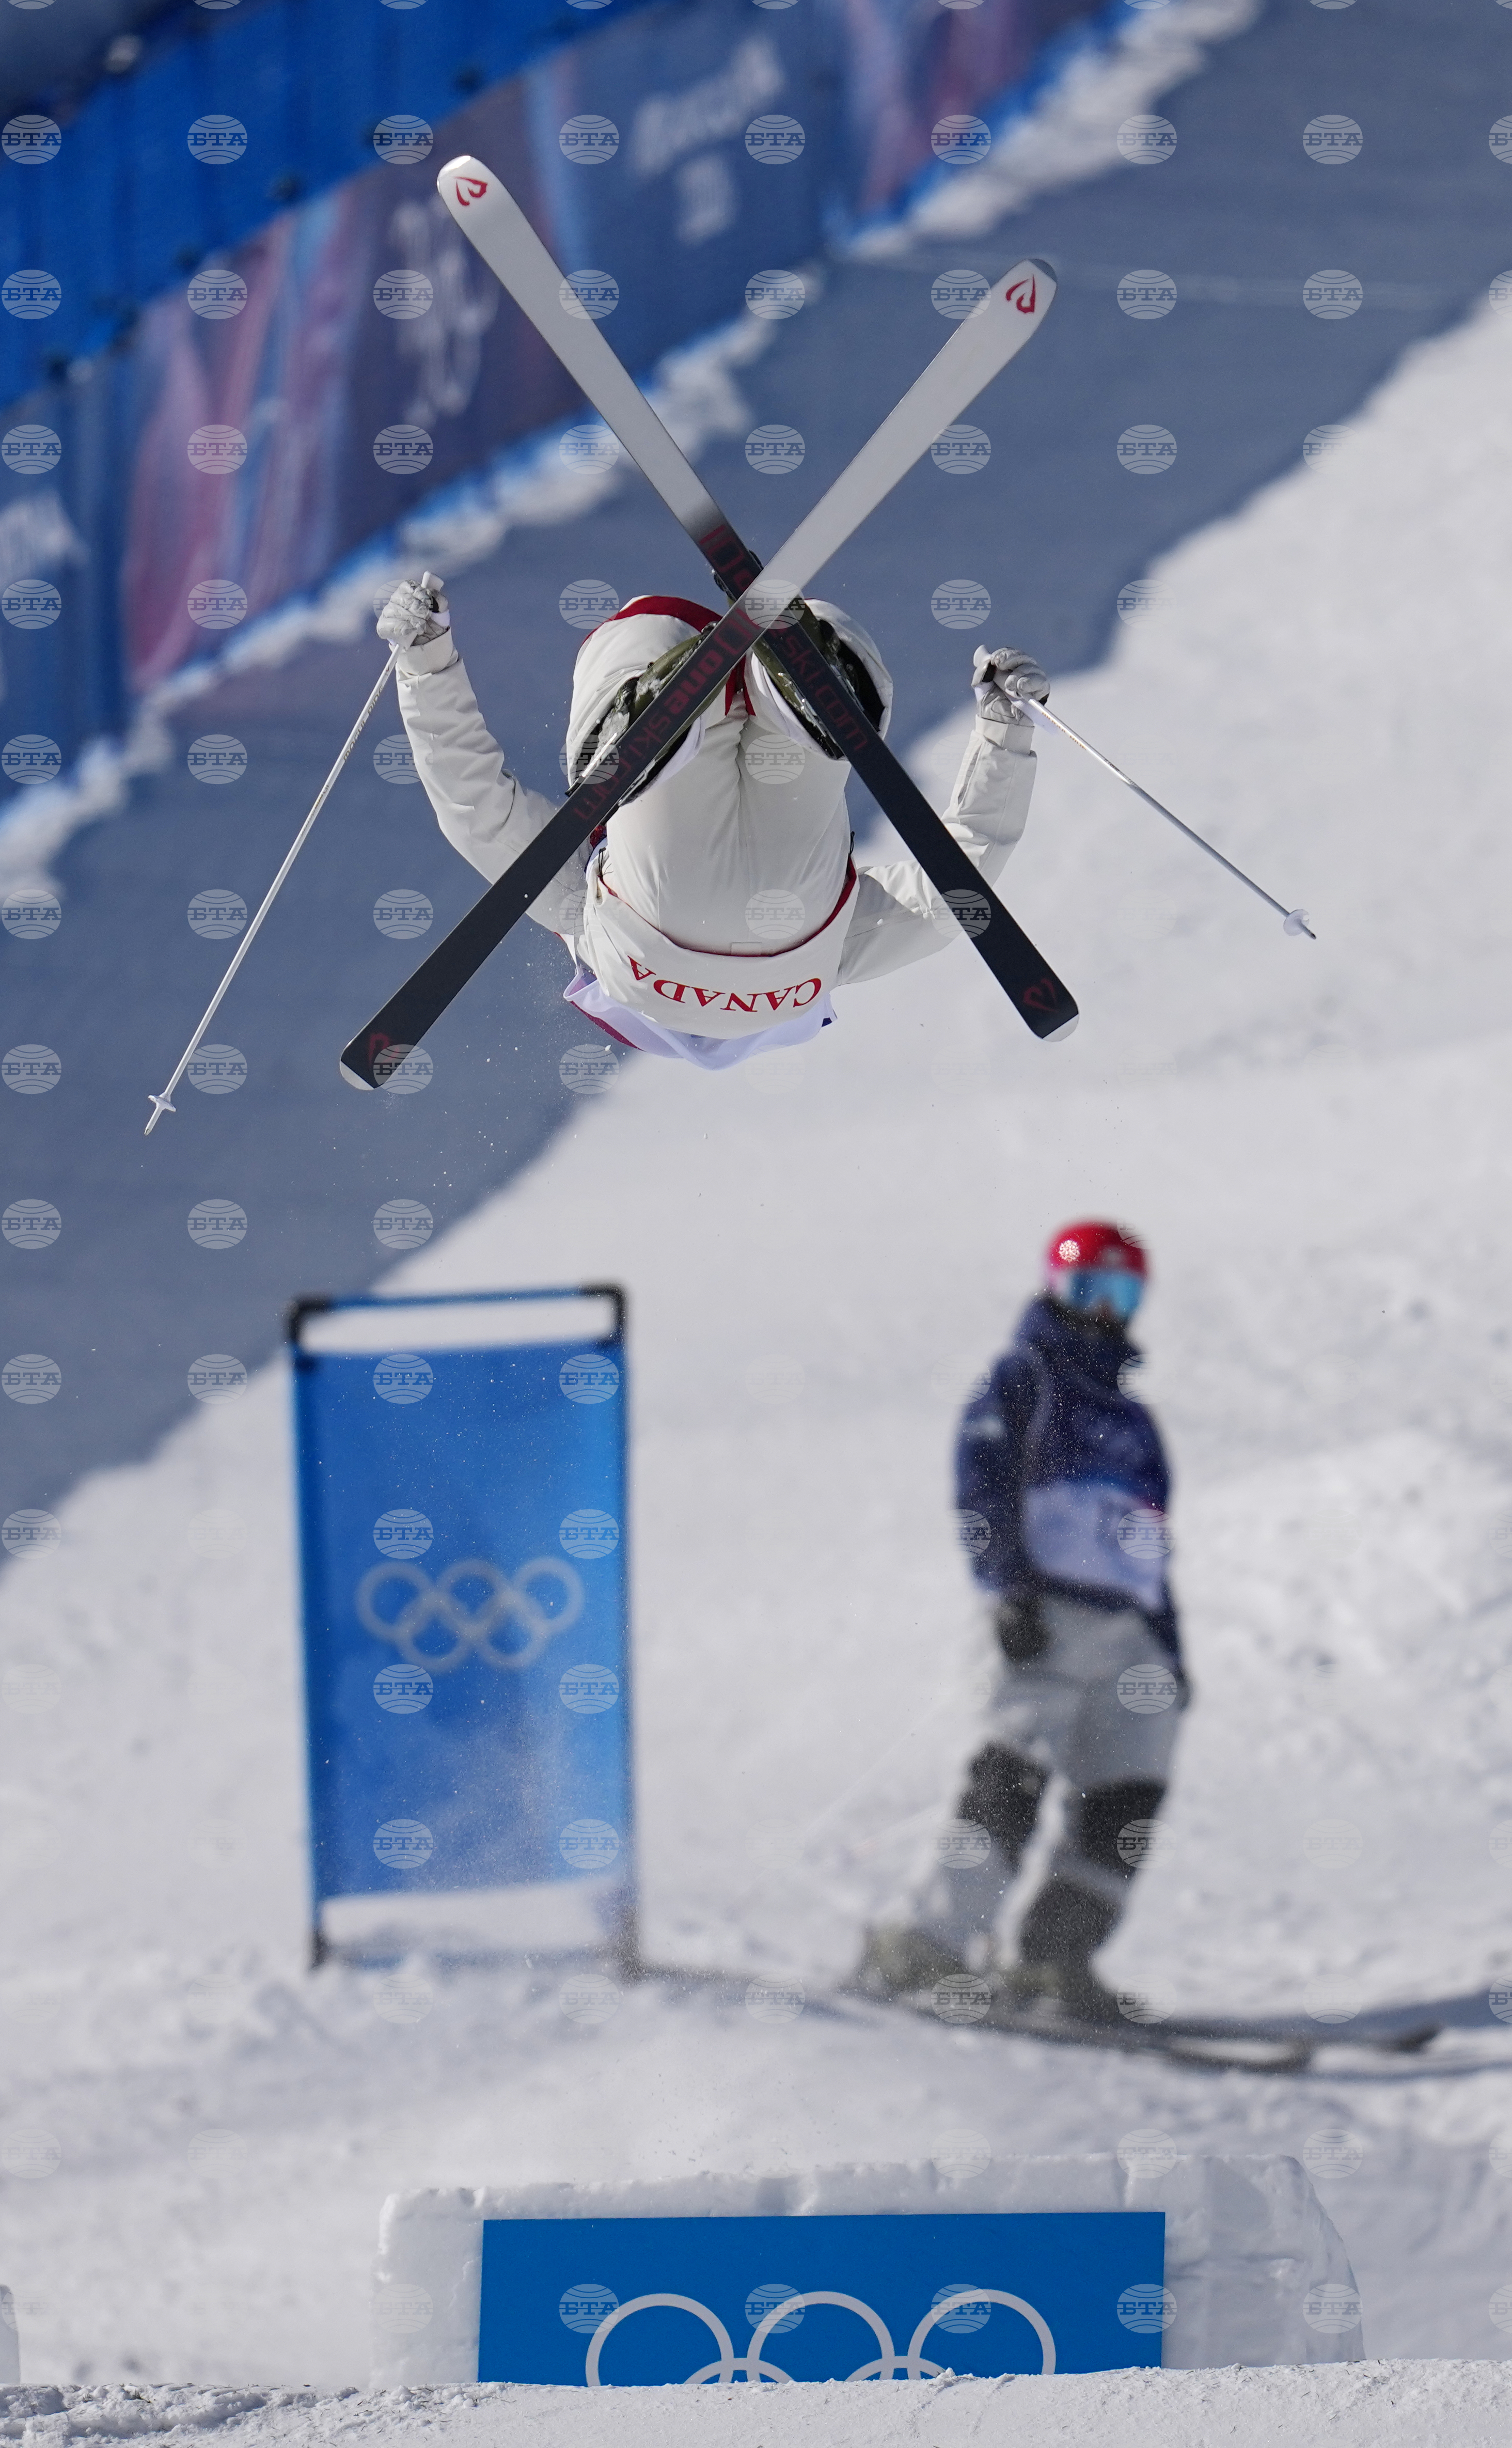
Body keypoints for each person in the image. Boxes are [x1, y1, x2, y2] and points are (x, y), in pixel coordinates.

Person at [374, 575, 1050, 1069]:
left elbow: (957, 887)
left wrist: (1005, 730)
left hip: (796, 961)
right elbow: (477, 812)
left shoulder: (834, 965)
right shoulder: (582, 922)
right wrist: (425, 659)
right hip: (656, 940)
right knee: (639, 630)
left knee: (809, 653)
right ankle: (646, 711)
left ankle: (818, 681)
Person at [860, 1220, 1184, 2023]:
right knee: (1014, 1775)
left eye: (1122, 1293)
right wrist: (1006, 1588)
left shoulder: (1136, 1423)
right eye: (1087, 1290)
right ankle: (926, 1942)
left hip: (1129, 1632)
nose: (1104, 1312)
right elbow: (982, 1485)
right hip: (1045, 1614)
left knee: (1125, 1797)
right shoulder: (1027, 1379)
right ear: (1052, 1287)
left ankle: (1054, 1955)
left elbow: (1150, 1543)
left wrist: (1170, 1652)